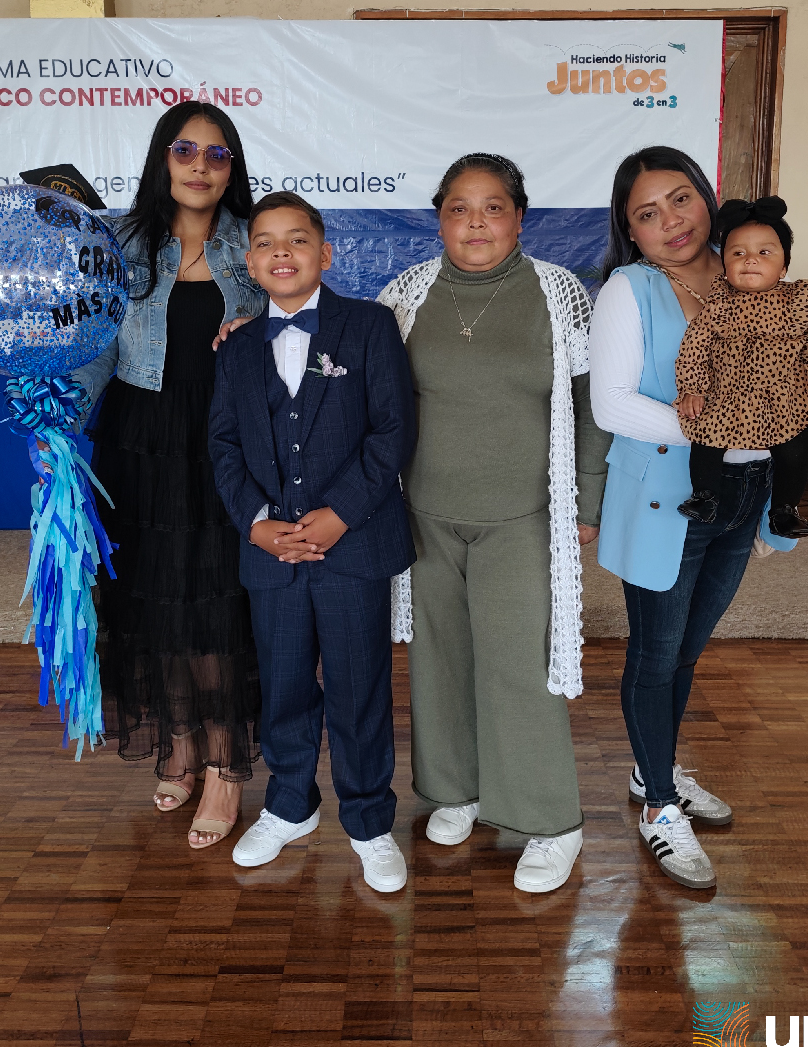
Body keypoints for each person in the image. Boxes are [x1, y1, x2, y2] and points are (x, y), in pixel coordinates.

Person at [377, 153, 610, 894]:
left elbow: (591, 407)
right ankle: (457, 790)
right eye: (459, 208)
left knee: (519, 665)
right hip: (426, 516)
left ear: (520, 217)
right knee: (441, 659)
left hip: (524, 518)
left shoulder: (558, 294)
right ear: (438, 219)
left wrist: (587, 503)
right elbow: (368, 392)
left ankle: (550, 821)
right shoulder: (406, 294)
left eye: (493, 207)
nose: (475, 223)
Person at [589, 146, 799, 891]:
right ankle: (658, 805)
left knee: (686, 653)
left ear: (707, 199)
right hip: (665, 502)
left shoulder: (752, 267)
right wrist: (725, 426)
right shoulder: (629, 290)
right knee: (654, 654)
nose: (670, 222)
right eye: (647, 214)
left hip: (744, 496)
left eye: (680, 199)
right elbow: (612, 406)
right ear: (631, 231)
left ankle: (657, 772)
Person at [209, 192, 417, 894]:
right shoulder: (237, 347)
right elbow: (223, 444)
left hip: (352, 549)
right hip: (271, 553)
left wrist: (340, 515)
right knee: (285, 685)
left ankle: (369, 820)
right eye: (266, 242)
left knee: (359, 688)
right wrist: (255, 523)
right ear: (249, 263)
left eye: (297, 240)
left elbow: (393, 431)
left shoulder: (370, 326)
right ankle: (289, 805)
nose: (282, 253)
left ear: (325, 254)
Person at [71, 102, 265, 849]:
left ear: (232, 168)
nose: (199, 165)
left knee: (218, 604)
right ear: (162, 158)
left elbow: (302, 314)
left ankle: (224, 765)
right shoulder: (119, 242)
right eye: (185, 150)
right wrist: (57, 414)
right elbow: (93, 343)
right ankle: (179, 746)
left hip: (227, 441)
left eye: (216, 154)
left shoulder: (255, 238)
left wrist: (262, 328)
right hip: (140, 441)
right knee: (155, 600)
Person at [676, 196, 808, 540]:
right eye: (738, 253)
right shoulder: (719, 304)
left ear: (784, 267)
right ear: (724, 264)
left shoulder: (796, 303)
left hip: (781, 396)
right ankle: (705, 495)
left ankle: (784, 509)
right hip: (725, 393)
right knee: (704, 437)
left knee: (795, 446)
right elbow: (695, 345)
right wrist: (693, 387)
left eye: (764, 252)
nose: (750, 259)